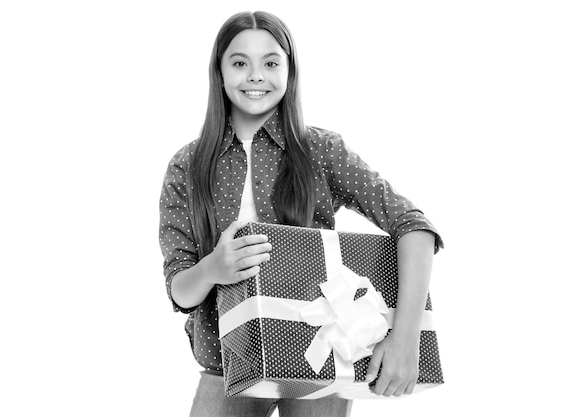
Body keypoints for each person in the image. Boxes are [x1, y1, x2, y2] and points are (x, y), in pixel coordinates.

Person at [159, 10, 443, 417]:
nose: (256, 75)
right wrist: (212, 270)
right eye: (239, 63)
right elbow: (179, 289)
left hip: (319, 363)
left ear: (290, 73)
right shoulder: (187, 165)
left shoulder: (321, 151)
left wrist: (405, 338)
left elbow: (415, 226)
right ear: (218, 73)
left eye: (271, 63)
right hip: (225, 366)